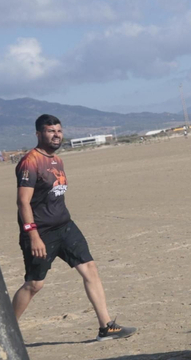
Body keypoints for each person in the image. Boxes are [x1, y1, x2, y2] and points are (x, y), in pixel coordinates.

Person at [11, 115, 135, 341]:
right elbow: (23, 202)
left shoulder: (57, 160)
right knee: (34, 284)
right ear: (39, 134)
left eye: (59, 130)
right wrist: (33, 235)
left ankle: (106, 326)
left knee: (90, 268)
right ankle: (6, 330)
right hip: (41, 232)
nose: (56, 134)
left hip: (65, 226)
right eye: (50, 131)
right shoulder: (30, 162)